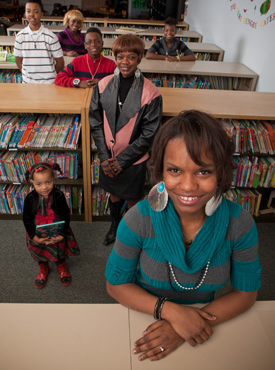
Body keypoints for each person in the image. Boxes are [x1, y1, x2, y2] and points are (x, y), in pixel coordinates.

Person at [105, 110, 262, 362]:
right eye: (175, 170)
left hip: (205, 313)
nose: (188, 186)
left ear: (220, 173)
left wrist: (184, 325)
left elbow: (246, 294)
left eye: (203, 172)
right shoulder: (137, 219)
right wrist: (173, 314)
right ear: (160, 172)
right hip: (144, 313)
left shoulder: (240, 224)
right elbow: (115, 285)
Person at [89, 34, 163, 245]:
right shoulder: (103, 85)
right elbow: (95, 122)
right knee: (114, 194)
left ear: (140, 58)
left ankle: (130, 230)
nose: (125, 62)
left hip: (133, 159)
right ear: (115, 57)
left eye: (131, 57)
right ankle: (115, 224)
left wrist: (122, 161)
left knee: (132, 197)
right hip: (108, 157)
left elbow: (149, 133)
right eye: (120, 56)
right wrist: (104, 156)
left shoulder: (151, 93)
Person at [23, 162, 80, 288]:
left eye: (48, 182)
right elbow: (26, 219)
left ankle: (61, 266)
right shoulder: (30, 198)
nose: (44, 187)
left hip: (57, 228)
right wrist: (33, 236)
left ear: (53, 180)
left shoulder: (58, 196)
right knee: (39, 248)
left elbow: (66, 215)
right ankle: (43, 268)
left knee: (58, 247)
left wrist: (62, 234)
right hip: (38, 230)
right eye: (39, 184)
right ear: (32, 183)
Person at [14, 0, 64, 84]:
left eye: (36, 11)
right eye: (28, 11)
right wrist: (26, 75)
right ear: (25, 13)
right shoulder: (20, 36)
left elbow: (60, 62)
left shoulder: (51, 37)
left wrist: (50, 76)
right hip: (28, 83)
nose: (32, 14)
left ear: (41, 14)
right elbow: (18, 59)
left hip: (49, 84)